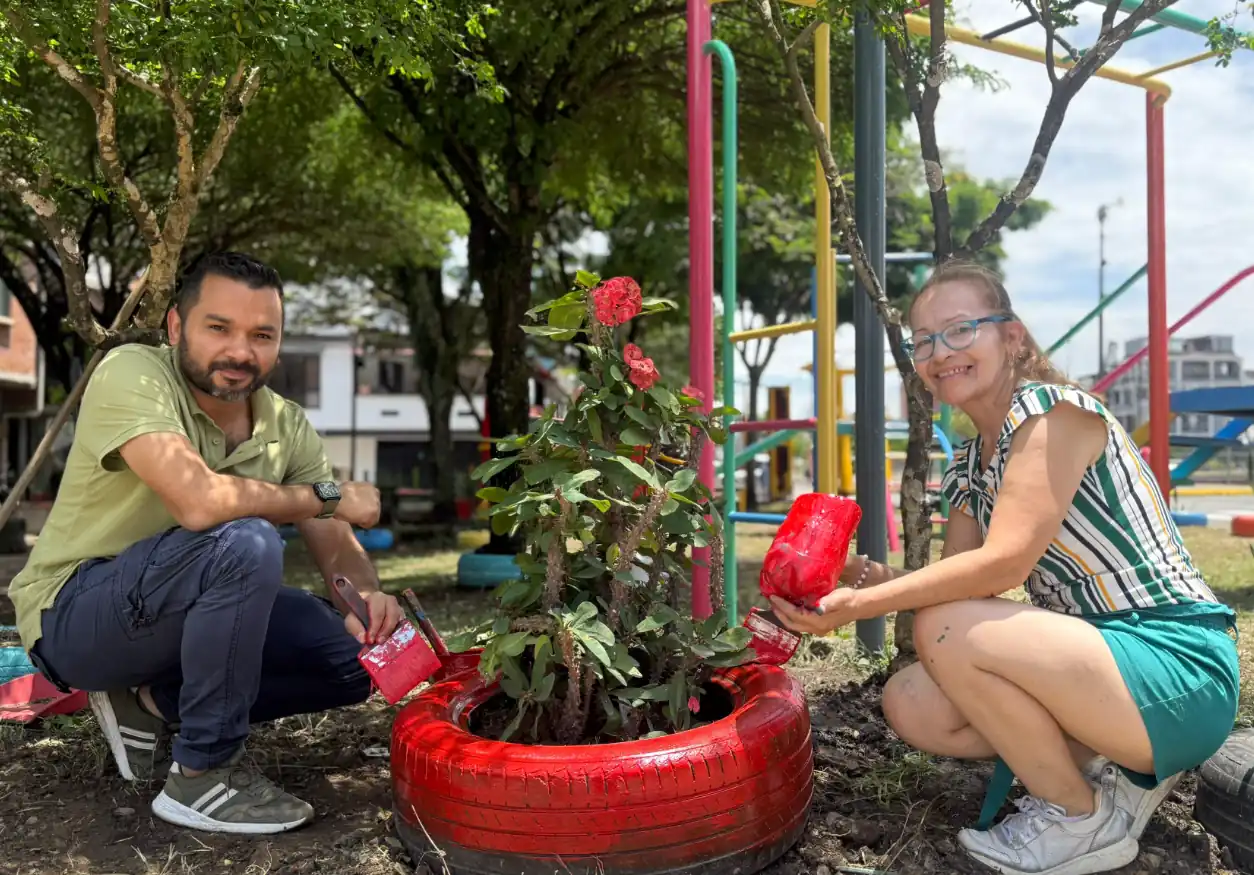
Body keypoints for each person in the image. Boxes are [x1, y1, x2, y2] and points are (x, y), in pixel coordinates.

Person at [769, 261, 1239, 875]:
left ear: (1011, 337)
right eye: (924, 340)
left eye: (961, 329)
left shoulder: (1053, 412)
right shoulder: (968, 464)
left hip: (1177, 665)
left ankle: (1079, 817)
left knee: (945, 627)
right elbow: (960, 578)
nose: (941, 352)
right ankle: (1116, 770)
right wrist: (864, 581)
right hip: (1101, 667)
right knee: (913, 701)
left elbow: (1001, 566)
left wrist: (861, 610)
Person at [8, 252, 406, 835]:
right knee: (244, 542)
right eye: (218, 327)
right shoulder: (133, 372)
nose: (240, 352)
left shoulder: (285, 424)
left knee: (352, 662)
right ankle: (203, 774)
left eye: (261, 335)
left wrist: (366, 601)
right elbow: (200, 503)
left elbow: (337, 545)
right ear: (176, 327)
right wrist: (327, 494)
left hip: (184, 606)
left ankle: (147, 702)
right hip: (75, 614)